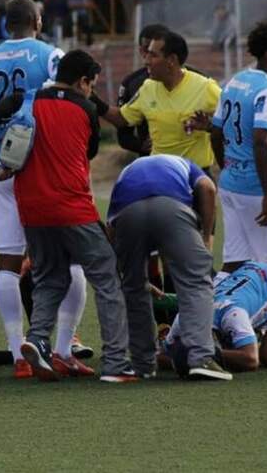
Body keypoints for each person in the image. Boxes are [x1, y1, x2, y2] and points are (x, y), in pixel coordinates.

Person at [0, 50, 134, 383]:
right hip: (71, 206)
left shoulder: (26, 100)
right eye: (91, 84)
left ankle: (35, 341)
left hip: (31, 208)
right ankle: (118, 363)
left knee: (50, 278)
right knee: (106, 277)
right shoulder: (86, 108)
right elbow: (87, 153)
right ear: (83, 82)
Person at [0, 0, 87, 379]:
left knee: (8, 262)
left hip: (3, 167)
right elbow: (72, 104)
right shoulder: (51, 55)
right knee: (73, 254)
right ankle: (64, 348)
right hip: (46, 166)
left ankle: (18, 353)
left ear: (5, 25)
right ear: (36, 20)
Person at [106, 154, 229, 380]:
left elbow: (111, 229)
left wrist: (128, 275)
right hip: (172, 207)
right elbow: (208, 188)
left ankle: (143, 365)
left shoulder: (127, 171)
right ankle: (201, 358)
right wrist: (206, 237)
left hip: (126, 215)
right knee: (196, 282)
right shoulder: (188, 166)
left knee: (133, 291)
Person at [211, 20, 267, 271]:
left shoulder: (234, 82)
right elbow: (261, 142)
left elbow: (216, 132)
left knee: (235, 262)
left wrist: (227, 167)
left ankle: (222, 309)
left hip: (231, 185)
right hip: (261, 186)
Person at [96, 29, 222, 175]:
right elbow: (122, 118)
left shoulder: (205, 87)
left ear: (172, 60)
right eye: (147, 54)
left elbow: (233, 123)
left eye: (153, 55)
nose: (146, 61)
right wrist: (92, 99)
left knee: (207, 191)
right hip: (160, 176)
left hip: (194, 176)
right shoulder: (147, 87)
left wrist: (210, 127)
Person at [116, 24, 168, 156]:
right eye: (147, 50)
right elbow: (123, 134)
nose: (150, 56)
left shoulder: (199, 81)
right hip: (151, 163)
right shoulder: (131, 83)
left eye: (156, 51)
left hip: (189, 164)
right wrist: (141, 146)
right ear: (140, 51)